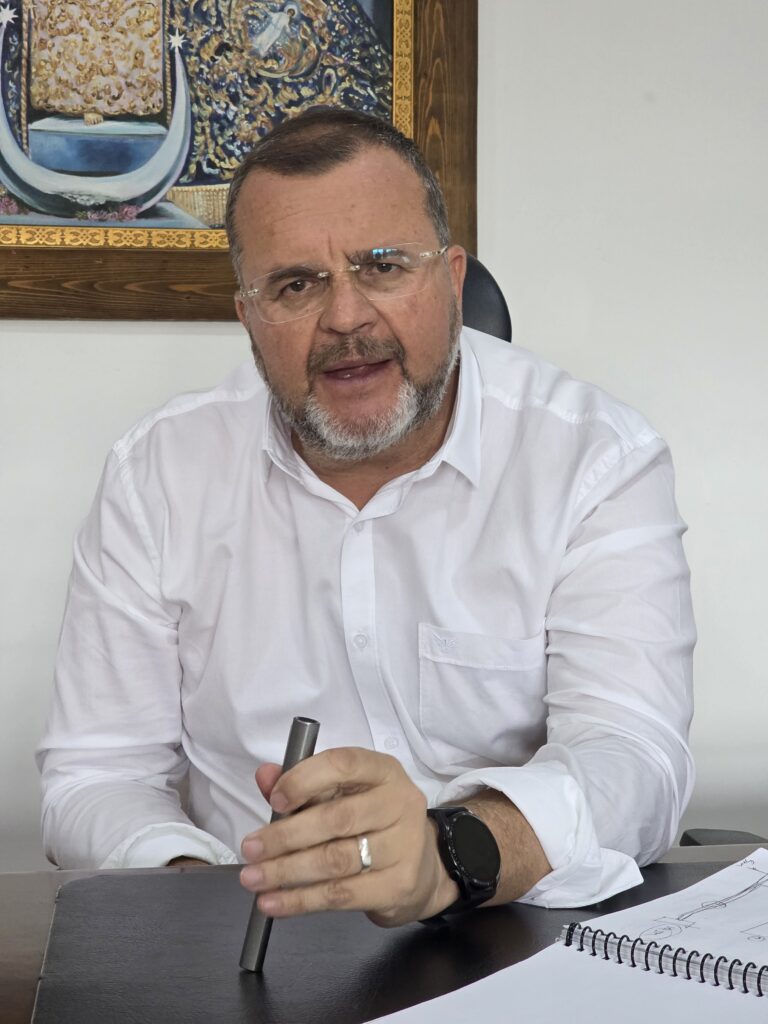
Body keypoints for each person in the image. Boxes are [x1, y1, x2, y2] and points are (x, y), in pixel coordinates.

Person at [37, 107, 695, 927]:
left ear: (451, 281)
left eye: (382, 267)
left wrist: (447, 855)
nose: (346, 318)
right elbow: (97, 775)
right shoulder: (157, 473)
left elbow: (634, 756)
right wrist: (207, 884)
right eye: (296, 285)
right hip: (249, 935)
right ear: (248, 318)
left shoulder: (594, 457)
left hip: (506, 925)